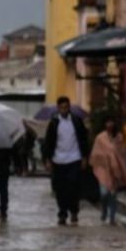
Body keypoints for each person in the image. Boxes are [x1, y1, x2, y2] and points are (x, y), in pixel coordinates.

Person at [42, 97, 89, 226]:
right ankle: (62, 213)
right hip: (58, 160)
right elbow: (48, 142)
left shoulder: (77, 121)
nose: (64, 110)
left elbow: (83, 140)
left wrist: (85, 157)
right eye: (62, 107)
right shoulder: (54, 123)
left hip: (74, 158)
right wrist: (47, 160)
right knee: (60, 188)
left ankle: (74, 211)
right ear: (58, 108)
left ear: (69, 107)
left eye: (66, 107)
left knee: (73, 186)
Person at [90, 117, 126, 225]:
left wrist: (120, 165)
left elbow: (122, 153)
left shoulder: (119, 137)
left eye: (111, 122)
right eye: (107, 122)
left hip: (115, 169)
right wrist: (104, 159)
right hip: (103, 168)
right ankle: (104, 210)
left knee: (113, 194)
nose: (110, 124)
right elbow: (96, 153)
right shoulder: (100, 138)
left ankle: (112, 217)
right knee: (104, 193)